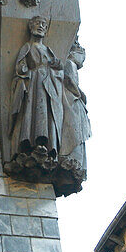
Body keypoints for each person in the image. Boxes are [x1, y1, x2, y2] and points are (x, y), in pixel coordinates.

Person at [9, 16, 64, 159]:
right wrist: (23, 69)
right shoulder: (28, 46)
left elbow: (57, 67)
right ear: (31, 27)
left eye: (43, 25)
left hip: (48, 83)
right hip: (34, 82)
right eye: (37, 24)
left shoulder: (48, 49)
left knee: (47, 112)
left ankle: (48, 143)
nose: (40, 27)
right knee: (33, 111)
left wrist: (56, 66)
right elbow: (20, 67)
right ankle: (32, 140)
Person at [59, 39, 90, 175]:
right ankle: (70, 159)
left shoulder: (71, 64)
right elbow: (69, 81)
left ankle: (74, 160)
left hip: (73, 102)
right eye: (81, 55)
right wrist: (80, 94)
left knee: (76, 131)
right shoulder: (69, 63)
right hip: (71, 102)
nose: (82, 60)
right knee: (73, 131)